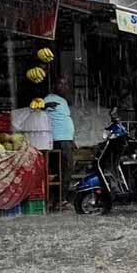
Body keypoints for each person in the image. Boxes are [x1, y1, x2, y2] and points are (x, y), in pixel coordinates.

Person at [44, 77, 75, 208]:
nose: (64, 87)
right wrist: (45, 106)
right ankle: (61, 199)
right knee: (65, 169)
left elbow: (63, 119)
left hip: (66, 139)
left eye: (66, 84)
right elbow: (39, 109)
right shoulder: (49, 98)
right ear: (54, 86)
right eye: (60, 84)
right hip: (59, 140)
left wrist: (72, 139)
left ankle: (58, 199)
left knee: (64, 169)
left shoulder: (63, 101)